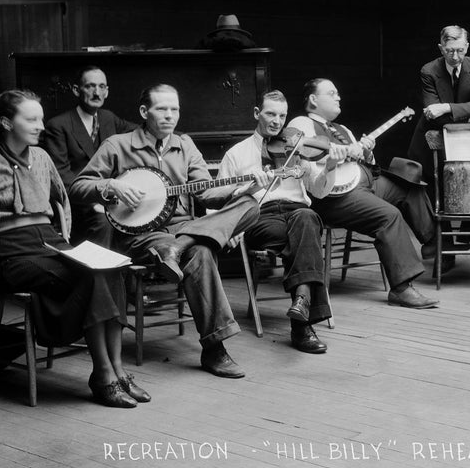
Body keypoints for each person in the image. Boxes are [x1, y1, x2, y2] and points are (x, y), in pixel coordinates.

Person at [0, 90, 147, 408]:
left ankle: (119, 371)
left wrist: (62, 236)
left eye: (41, 118)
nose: (40, 125)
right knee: (91, 277)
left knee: (111, 269)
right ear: (7, 122)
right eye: (31, 119)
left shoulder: (42, 158)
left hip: (52, 245)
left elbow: (62, 199)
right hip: (14, 254)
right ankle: (102, 374)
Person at [71, 84, 259, 378]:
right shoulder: (117, 145)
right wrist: (112, 186)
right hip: (142, 233)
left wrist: (243, 188)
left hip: (184, 226)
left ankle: (179, 246)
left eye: (175, 109)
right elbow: (78, 187)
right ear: (145, 112)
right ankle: (215, 348)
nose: (170, 115)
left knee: (249, 205)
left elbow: (207, 195)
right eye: (163, 109)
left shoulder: (185, 146)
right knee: (203, 251)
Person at [288, 78, 440, 309]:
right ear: (313, 99)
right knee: (389, 216)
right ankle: (401, 289)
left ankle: (432, 243)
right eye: (332, 93)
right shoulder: (301, 123)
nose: (338, 97)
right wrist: (336, 154)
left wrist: (367, 152)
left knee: (410, 186)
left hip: (365, 182)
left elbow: (362, 161)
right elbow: (300, 150)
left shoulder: (343, 130)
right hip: (333, 196)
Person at [217, 90, 333, 354]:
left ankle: (301, 306)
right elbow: (222, 198)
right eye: (270, 114)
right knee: (306, 230)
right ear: (257, 113)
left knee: (305, 217)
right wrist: (246, 191)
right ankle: (303, 323)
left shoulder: (296, 149)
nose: (277, 121)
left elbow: (319, 190)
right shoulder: (237, 153)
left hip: (298, 213)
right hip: (261, 217)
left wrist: (330, 168)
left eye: (282, 115)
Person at [41, 66, 136, 246]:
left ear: (107, 92)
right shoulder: (58, 125)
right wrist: (94, 201)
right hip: (79, 204)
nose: (97, 92)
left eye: (102, 87)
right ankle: (101, 273)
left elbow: (139, 132)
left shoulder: (108, 118)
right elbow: (61, 177)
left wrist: (180, 136)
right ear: (77, 90)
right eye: (90, 86)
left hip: (111, 198)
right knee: (104, 221)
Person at [406, 25, 470, 175]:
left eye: (460, 50)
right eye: (449, 51)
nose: (456, 57)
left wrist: (446, 107)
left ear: (467, 46)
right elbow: (434, 117)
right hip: (434, 136)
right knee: (437, 178)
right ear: (441, 48)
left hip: (466, 137)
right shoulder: (429, 71)